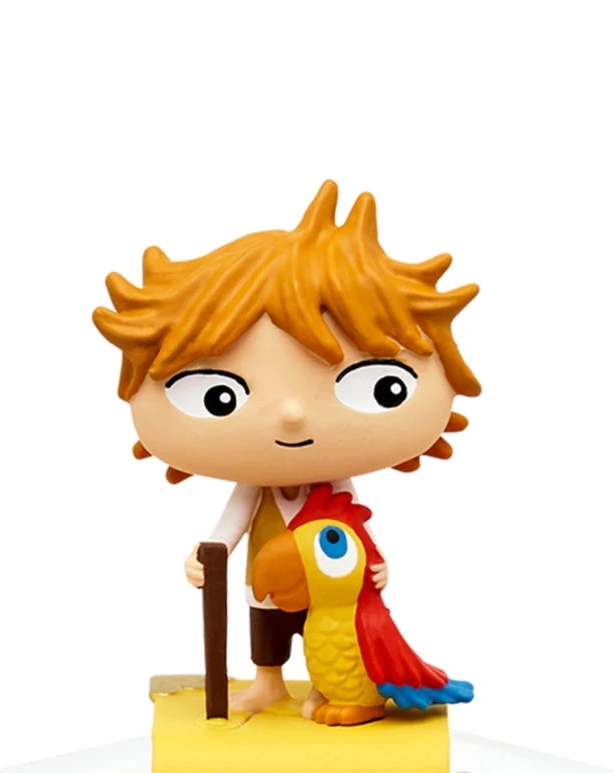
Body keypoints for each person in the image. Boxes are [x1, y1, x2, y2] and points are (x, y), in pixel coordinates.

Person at [93, 181, 480, 714]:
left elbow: (355, 520)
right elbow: (232, 523)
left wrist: (380, 563)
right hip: (264, 577)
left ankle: (330, 682)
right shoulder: (254, 485)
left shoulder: (333, 483)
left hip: (330, 585)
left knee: (329, 624)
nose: (292, 414)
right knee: (267, 628)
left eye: (377, 385)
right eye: (217, 394)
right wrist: (207, 554)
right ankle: (268, 681)